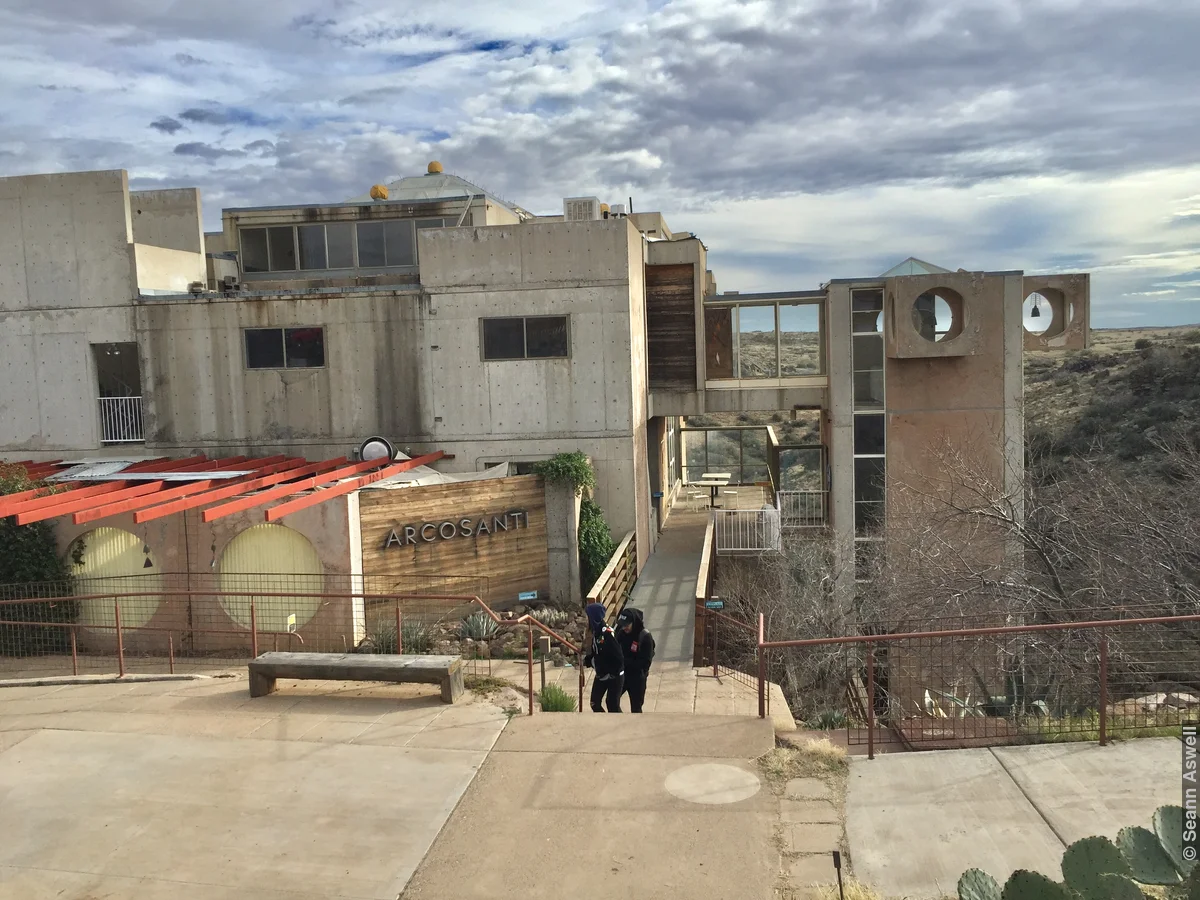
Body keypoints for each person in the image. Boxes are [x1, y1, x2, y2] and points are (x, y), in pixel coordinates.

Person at [583, 602, 624, 712]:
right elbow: (597, 652)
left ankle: (619, 725)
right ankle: (605, 723)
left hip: (614, 675)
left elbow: (618, 658)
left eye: (588, 617)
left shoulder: (607, 633)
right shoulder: (596, 632)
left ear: (594, 618)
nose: (586, 620)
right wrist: (588, 659)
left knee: (612, 705)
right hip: (602, 674)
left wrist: (602, 667)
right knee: (594, 703)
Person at [615, 607, 655, 713]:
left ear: (634, 622)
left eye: (627, 625)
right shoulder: (621, 633)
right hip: (623, 675)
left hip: (637, 678)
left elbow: (646, 662)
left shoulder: (645, 637)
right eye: (622, 625)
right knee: (612, 702)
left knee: (636, 709)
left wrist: (626, 661)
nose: (624, 628)